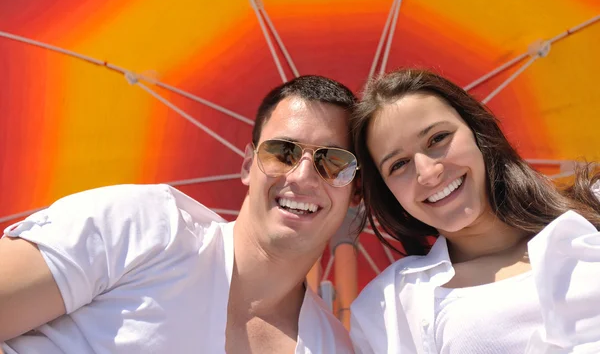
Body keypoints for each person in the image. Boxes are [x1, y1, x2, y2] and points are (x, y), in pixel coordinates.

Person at [0, 75, 361, 353]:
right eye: (283, 151)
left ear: (355, 192)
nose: (302, 176)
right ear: (249, 165)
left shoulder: (334, 346)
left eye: (333, 162)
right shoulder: (143, 226)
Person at [349, 68, 600, 353]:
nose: (428, 173)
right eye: (398, 165)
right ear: (388, 192)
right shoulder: (388, 307)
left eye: (437, 138)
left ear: (476, 133)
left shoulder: (592, 210)